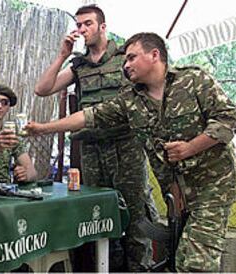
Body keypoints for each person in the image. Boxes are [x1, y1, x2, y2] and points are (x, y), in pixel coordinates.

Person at [25, 32, 236, 272]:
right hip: (177, 192)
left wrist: (191, 147)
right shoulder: (130, 99)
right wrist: (44, 128)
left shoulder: (193, 80)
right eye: (125, 60)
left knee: (196, 263)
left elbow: (228, 118)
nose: (126, 65)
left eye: (132, 57)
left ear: (154, 55)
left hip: (213, 186)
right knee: (179, 257)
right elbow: (89, 116)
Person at [34, 4, 156, 271]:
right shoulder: (79, 65)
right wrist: (61, 56)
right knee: (100, 216)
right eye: (79, 25)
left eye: (87, 24)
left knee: (136, 216)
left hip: (126, 147)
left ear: (103, 26)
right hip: (91, 150)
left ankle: (141, 269)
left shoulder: (125, 57)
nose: (82, 30)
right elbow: (42, 89)